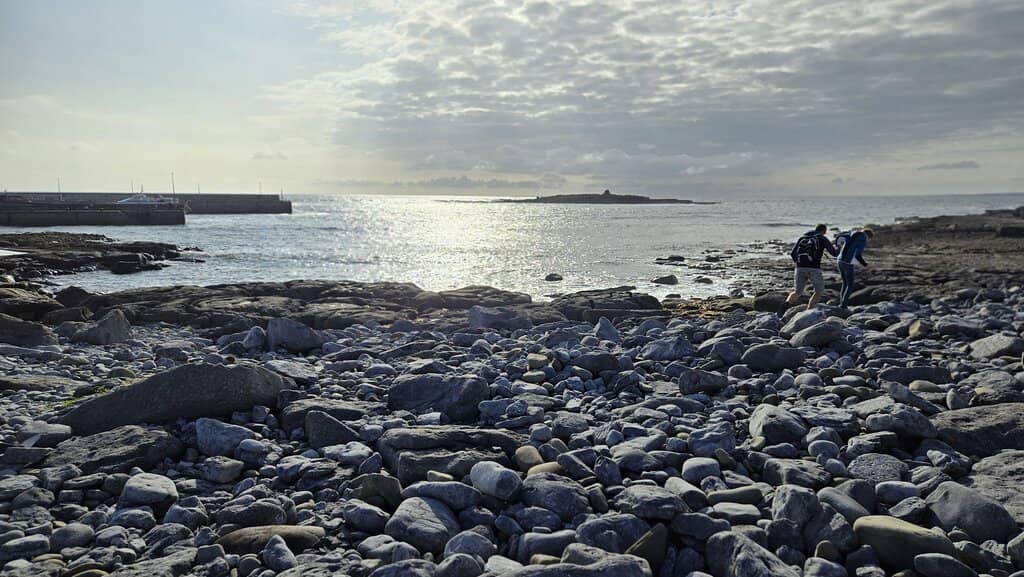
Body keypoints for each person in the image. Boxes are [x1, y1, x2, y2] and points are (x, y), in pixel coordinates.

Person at [786, 224, 839, 309]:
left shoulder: (802, 238)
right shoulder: (822, 238)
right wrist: (840, 247)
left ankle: (783, 308)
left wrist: (799, 263)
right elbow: (834, 253)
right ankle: (809, 309)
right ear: (824, 231)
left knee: (797, 292)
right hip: (814, 268)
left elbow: (793, 253)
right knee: (819, 291)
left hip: (800, 268)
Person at [835, 227, 874, 307]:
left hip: (839, 260)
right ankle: (843, 305)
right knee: (850, 284)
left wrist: (837, 245)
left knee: (845, 283)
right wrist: (865, 265)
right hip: (847, 262)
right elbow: (857, 255)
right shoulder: (862, 239)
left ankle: (841, 303)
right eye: (869, 239)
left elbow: (839, 236)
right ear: (868, 236)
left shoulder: (852, 234)